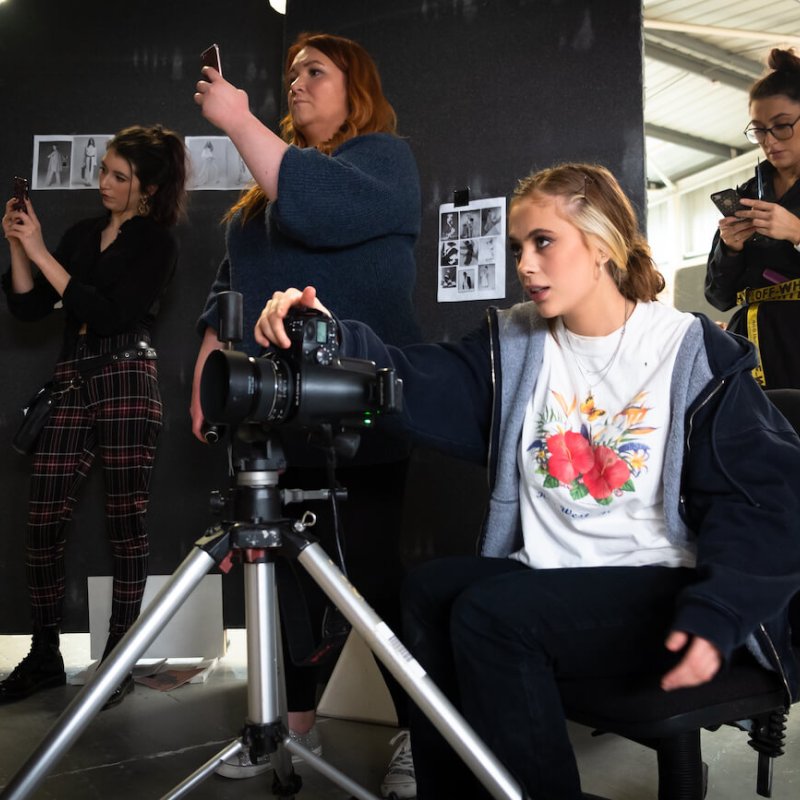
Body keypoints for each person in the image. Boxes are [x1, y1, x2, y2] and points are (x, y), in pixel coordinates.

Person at [255, 162, 800, 800]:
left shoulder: (690, 352)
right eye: (519, 248)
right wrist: (325, 335)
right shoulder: (518, 342)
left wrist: (719, 612)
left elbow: (768, 498)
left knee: (492, 616)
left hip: (665, 583)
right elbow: (412, 375)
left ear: (601, 246)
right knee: (429, 591)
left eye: (545, 241)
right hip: (559, 572)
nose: (526, 263)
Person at [191, 32, 421, 792]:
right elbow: (228, 289)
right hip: (274, 415)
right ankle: (284, 730)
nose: (296, 84)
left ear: (355, 88)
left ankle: (424, 740)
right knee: (280, 581)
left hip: (360, 412)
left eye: (313, 72)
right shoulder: (265, 191)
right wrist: (205, 377)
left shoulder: (385, 160)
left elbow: (317, 208)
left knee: (373, 585)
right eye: (290, 74)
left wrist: (236, 119)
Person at [0, 124, 188, 710]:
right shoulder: (83, 235)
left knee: (125, 522)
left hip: (128, 376)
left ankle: (117, 662)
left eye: (119, 176)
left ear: (148, 188)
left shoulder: (156, 243)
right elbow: (31, 305)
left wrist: (39, 254)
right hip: (73, 377)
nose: (103, 182)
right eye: (104, 169)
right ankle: (45, 655)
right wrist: (17, 244)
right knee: (42, 520)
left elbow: (108, 314)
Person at [705, 48, 800, 389]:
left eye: (782, 126)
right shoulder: (747, 193)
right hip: (750, 349)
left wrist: (797, 232)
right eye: (759, 131)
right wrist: (730, 249)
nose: (769, 141)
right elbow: (718, 296)